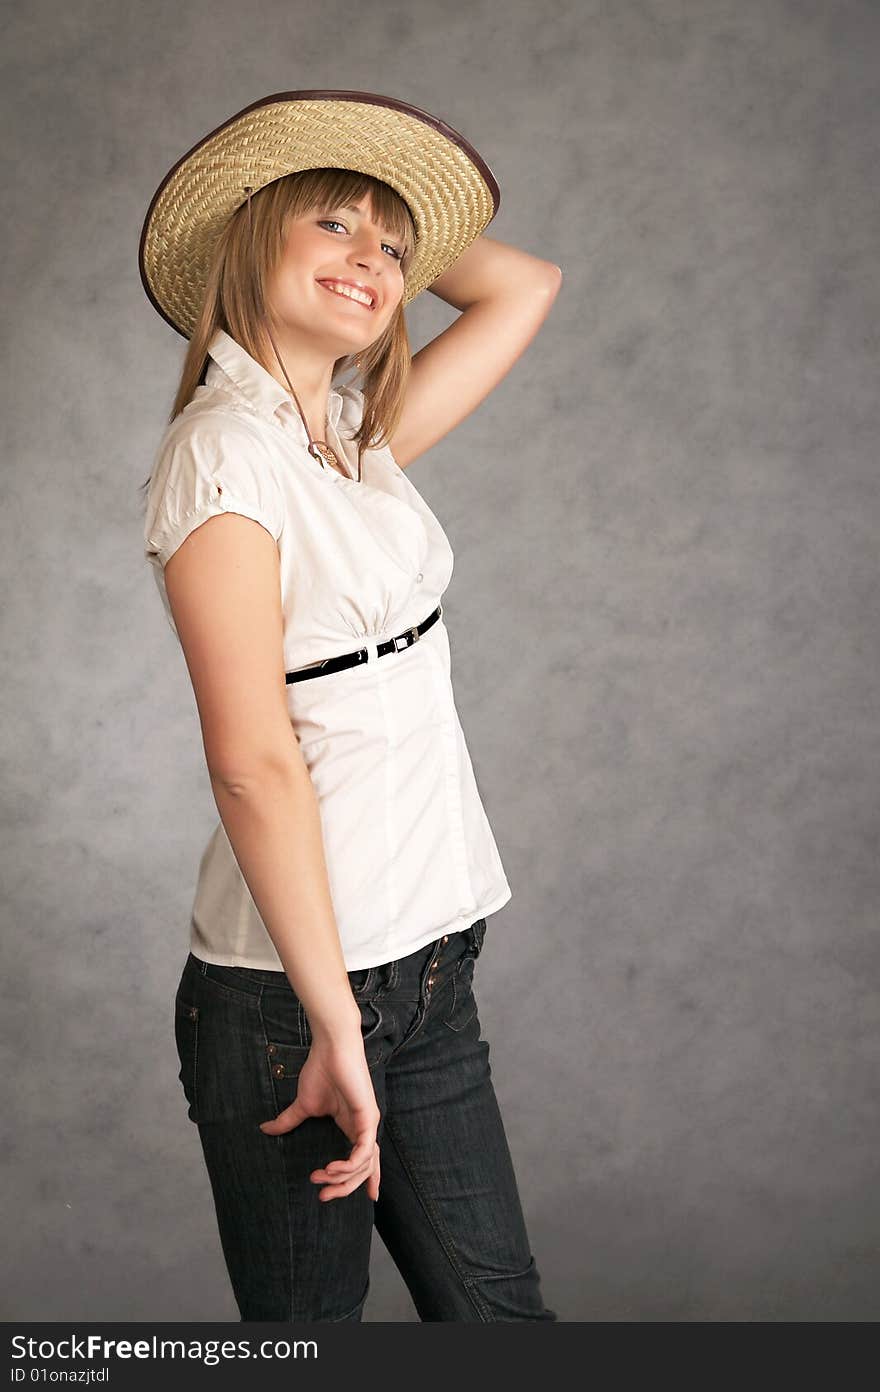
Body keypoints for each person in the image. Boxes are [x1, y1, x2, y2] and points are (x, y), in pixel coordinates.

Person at [139, 90, 562, 1322]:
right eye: (330, 227)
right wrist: (334, 1021)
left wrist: (378, 188)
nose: (375, 263)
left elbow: (521, 283)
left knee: (499, 1322)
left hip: (425, 968)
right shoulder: (222, 455)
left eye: (392, 246)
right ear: (246, 237)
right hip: (295, 1002)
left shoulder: (344, 441)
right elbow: (254, 765)